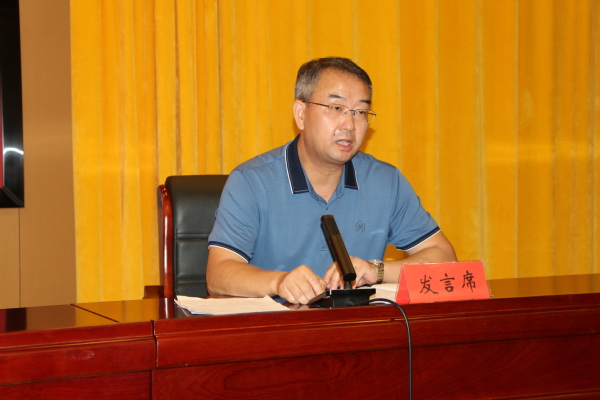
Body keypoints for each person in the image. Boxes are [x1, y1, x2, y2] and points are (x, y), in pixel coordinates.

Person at [207, 57, 457, 304]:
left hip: (356, 325)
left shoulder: (385, 182)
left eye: (360, 112)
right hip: (277, 326)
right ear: (301, 114)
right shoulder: (251, 182)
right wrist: (278, 282)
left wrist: (377, 271)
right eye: (336, 108)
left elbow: (444, 257)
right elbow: (218, 274)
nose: (349, 125)